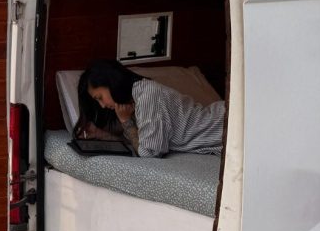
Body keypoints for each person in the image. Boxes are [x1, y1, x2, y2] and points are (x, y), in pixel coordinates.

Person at [77, 59, 225, 158]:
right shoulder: (135, 99)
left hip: (222, 124)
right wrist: (102, 135)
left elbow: (149, 153)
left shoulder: (148, 96)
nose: (102, 105)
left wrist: (126, 121)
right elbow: (139, 140)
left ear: (111, 83)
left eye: (100, 97)